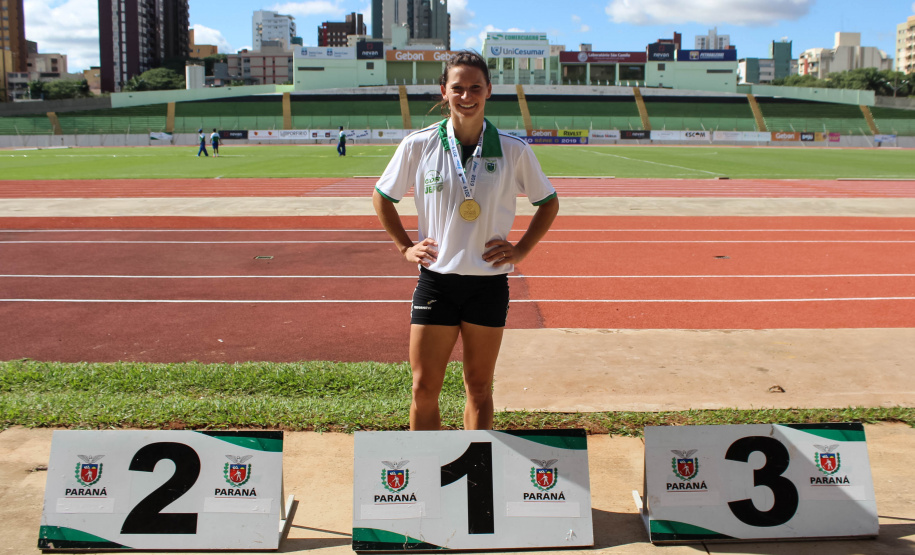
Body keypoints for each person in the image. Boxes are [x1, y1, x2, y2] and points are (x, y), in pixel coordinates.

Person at [373, 50, 559, 431]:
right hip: (437, 282)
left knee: (478, 387)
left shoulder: (512, 149)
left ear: (489, 90)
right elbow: (382, 197)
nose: (467, 96)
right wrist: (405, 247)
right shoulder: (418, 145)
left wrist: (521, 249)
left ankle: (475, 475)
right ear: (444, 91)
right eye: (458, 88)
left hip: (488, 285)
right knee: (424, 387)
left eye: (476, 87)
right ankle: (426, 474)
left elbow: (549, 203)